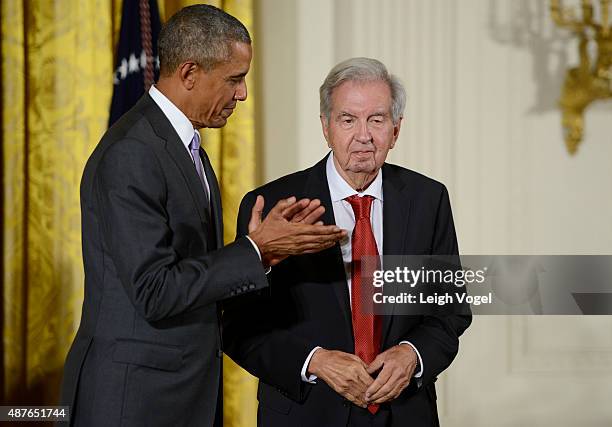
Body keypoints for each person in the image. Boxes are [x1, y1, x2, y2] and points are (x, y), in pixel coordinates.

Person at [60, 5, 345, 427]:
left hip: (181, 396)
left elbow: (189, 273)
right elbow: (154, 291)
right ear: (190, 73)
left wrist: (262, 252)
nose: (243, 93)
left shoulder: (184, 146)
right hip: (134, 402)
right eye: (234, 79)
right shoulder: (132, 154)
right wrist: (254, 250)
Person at [223, 57, 472, 427]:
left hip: (404, 413)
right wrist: (315, 361)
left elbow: (450, 311)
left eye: (377, 119)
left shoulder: (428, 199)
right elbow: (238, 326)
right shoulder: (275, 205)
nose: (364, 135)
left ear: (396, 130)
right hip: (306, 412)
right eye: (348, 119)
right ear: (326, 127)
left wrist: (412, 354)